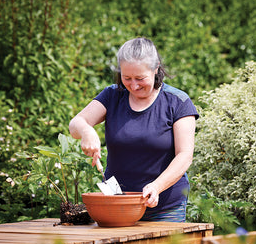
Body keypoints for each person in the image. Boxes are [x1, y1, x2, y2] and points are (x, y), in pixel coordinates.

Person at [69, 37, 198, 223]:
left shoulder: (177, 101)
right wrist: (87, 131)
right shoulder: (112, 95)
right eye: (126, 78)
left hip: (164, 207)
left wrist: (156, 187)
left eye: (140, 78)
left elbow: (185, 155)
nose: (134, 85)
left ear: (156, 69)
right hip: (116, 205)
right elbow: (76, 124)